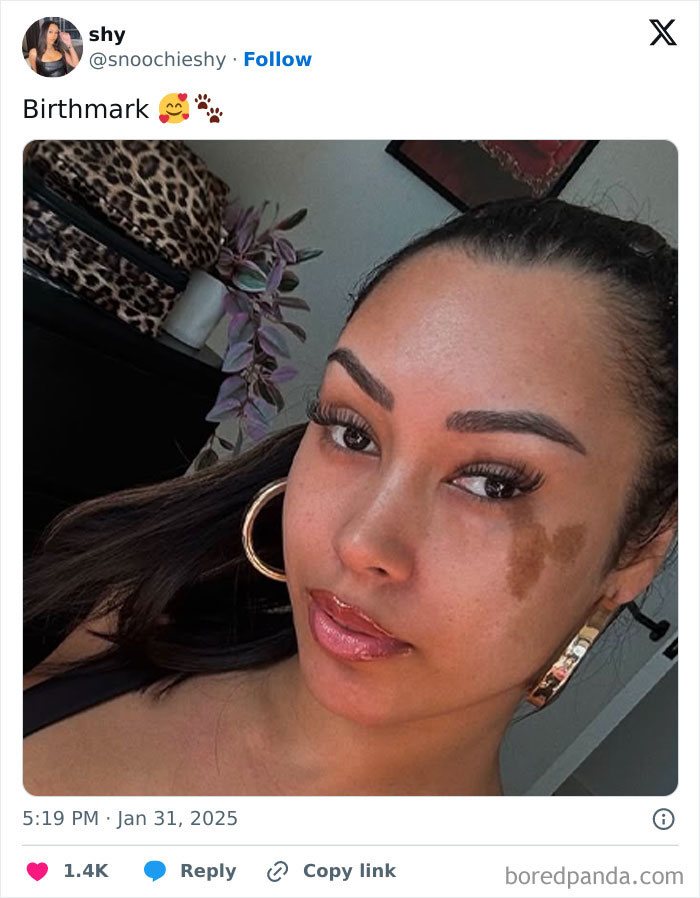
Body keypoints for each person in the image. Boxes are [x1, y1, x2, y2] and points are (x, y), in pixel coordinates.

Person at [23, 197, 677, 796]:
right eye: (353, 432)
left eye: (492, 483)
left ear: (639, 550)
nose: (361, 542)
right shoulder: (139, 612)